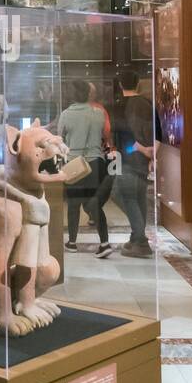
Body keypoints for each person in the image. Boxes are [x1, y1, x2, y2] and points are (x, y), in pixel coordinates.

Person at [57, 79, 114, 257]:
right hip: (96, 163)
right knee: (94, 203)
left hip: (74, 163)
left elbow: (60, 139)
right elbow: (106, 136)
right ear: (88, 94)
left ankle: (72, 242)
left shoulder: (66, 114)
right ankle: (104, 243)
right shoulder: (98, 113)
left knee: (73, 204)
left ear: (73, 95)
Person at [109, 68, 158, 258]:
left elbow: (128, 135)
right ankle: (136, 237)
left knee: (123, 195)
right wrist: (151, 153)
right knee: (138, 198)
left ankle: (141, 240)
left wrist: (138, 148)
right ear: (137, 83)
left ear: (120, 85)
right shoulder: (147, 104)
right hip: (143, 161)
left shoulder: (124, 106)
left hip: (130, 159)